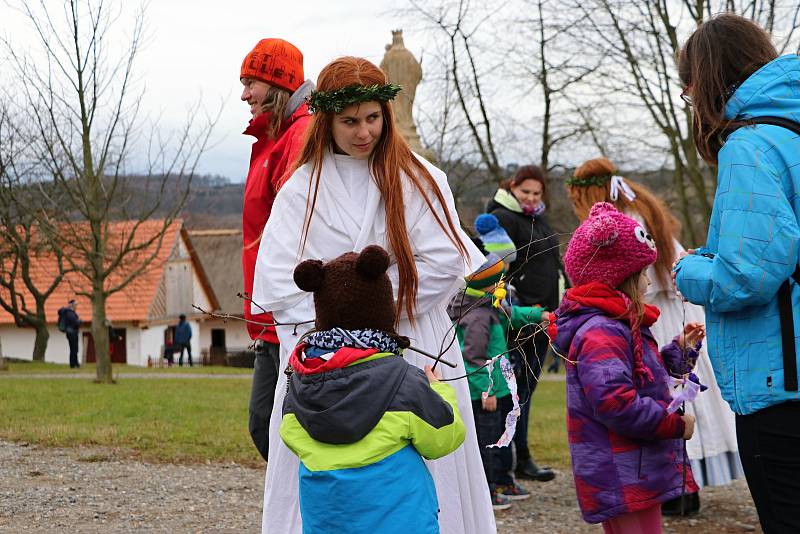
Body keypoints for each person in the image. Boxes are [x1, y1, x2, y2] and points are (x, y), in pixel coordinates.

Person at [251, 56, 495, 533]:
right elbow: (278, 283)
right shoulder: (300, 190)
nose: (363, 132)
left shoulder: (421, 178)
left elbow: (446, 261)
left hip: (411, 339)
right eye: (349, 121)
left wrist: (377, 304)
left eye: (372, 118)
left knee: (424, 476)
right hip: (324, 354)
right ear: (326, 121)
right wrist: (341, 318)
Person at [675, 14, 800, 533]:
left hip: (780, 385)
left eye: (687, 89)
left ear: (705, 79)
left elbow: (747, 276)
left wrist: (688, 269)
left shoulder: (751, 146)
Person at [566, 157, 742, 514]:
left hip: (649, 315)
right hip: (656, 312)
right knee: (675, 396)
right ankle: (678, 487)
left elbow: (638, 274)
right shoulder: (638, 210)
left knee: (667, 395)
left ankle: (675, 488)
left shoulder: (626, 222)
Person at [281, 245, 466, 533]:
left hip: (328, 522)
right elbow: (443, 438)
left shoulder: (301, 381)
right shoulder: (403, 379)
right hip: (401, 522)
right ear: (383, 310)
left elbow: (289, 433)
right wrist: (440, 391)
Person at [552, 202, 702, 533]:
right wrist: (674, 424)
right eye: (643, 274)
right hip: (624, 471)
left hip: (630, 469)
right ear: (622, 280)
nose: (648, 283)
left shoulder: (618, 325)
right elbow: (615, 401)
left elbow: (641, 375)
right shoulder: (602, 332)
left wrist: (678, 355)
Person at [239, 38, 314, 462]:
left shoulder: (298, 137)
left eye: (252, 82)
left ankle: (316, 516)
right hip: (269, 315)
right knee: (268, 425)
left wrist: (279, 308)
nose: (244, 94)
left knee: (273, 425)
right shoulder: (272, 139)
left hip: (287, 314)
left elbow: (296, 233)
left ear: (278, 83)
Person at [448, 252, 550, 511]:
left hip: (501, 386)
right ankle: (489, 489)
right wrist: (486, 391)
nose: (503, 283)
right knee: (489, 440)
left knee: (505, 435)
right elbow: (473, 357)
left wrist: (539, 316)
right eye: (498, 279)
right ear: (486, 283)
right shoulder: (476, 316)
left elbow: (512, 315)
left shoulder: (490, 304)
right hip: (486, 394)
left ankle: (505, 480)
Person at [487, 164, 559, 482]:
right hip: (519, 320)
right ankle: (512, 459)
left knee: (526, 391)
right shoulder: (503, 217)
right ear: (512, 187)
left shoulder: (538, 220)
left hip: (542, 318)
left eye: (536, 193)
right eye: (524, 192)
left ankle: (520, 455)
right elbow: (498, 267)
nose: (530, 198)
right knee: (515, 393)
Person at [57, 299, 80, 368]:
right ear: (72, 305)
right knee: (74, 349)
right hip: (72, 333)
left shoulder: (69, 312)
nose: (76, 306)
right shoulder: (70, 313)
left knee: (74, 349)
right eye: (75, 305)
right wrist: (79, 322)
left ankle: (75, 363)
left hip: (71, 332)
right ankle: (73, 364)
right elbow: (74, 322)